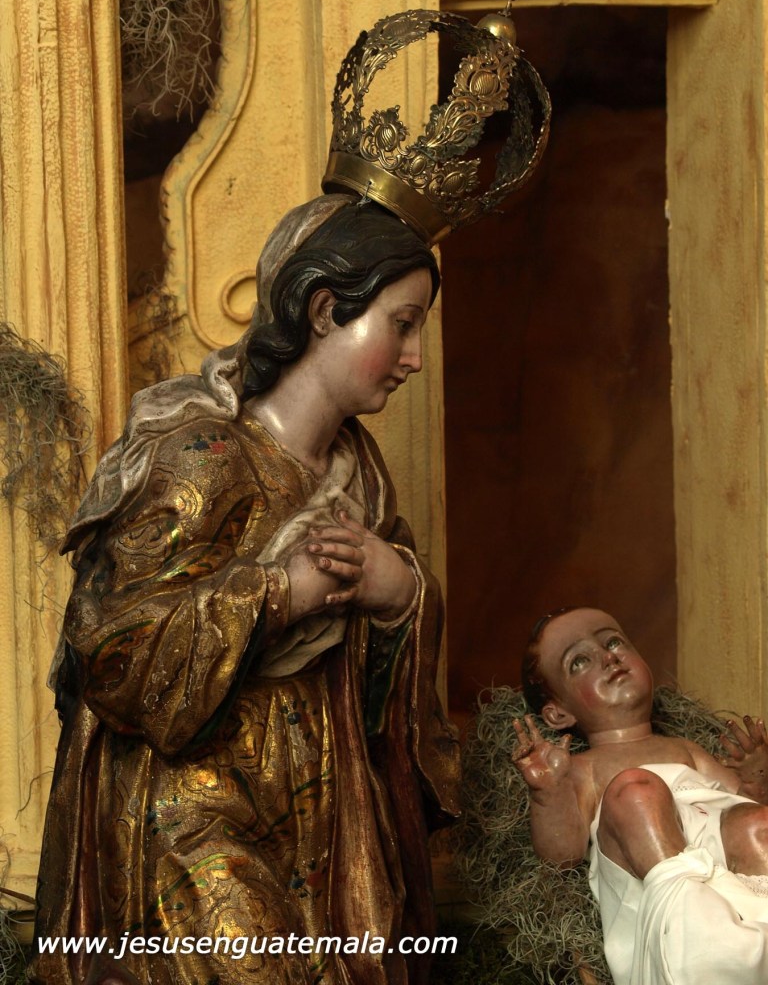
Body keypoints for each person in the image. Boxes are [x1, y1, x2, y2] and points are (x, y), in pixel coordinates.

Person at [30, 194, 460, 985]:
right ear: (324, 310)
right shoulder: (202, 456)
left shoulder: (361, 479)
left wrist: (400, 593)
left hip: (322, 811)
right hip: (191, 810)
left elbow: (378, 684)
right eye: (402, 325)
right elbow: (112, 654)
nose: (414, 358)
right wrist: (279, 593)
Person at [514, 605, 768, 985]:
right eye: (579, 662)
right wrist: (548, 792)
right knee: (635, 791)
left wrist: (754, 783)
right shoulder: (581, 769)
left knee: (757, 822)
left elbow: (738, 806)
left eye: (614, 642)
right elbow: (561, 857)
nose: (608, 657)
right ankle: (700, 939)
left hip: (729, 875)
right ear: (558, 715)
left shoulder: (684, 748)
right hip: (656, 881)